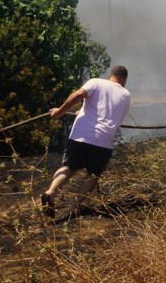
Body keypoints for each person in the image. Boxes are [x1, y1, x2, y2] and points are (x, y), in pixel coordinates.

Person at [41, 65, 131, 220]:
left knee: (69, 167)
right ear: (124, 80)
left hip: (80, 136)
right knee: (92, 175)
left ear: (111, 75)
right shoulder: (126, 94)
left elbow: (79, 94)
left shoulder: (96, 82)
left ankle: (50, 192)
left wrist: (59, 112)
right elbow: (110, 113)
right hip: (103, 141)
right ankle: (74, 207)